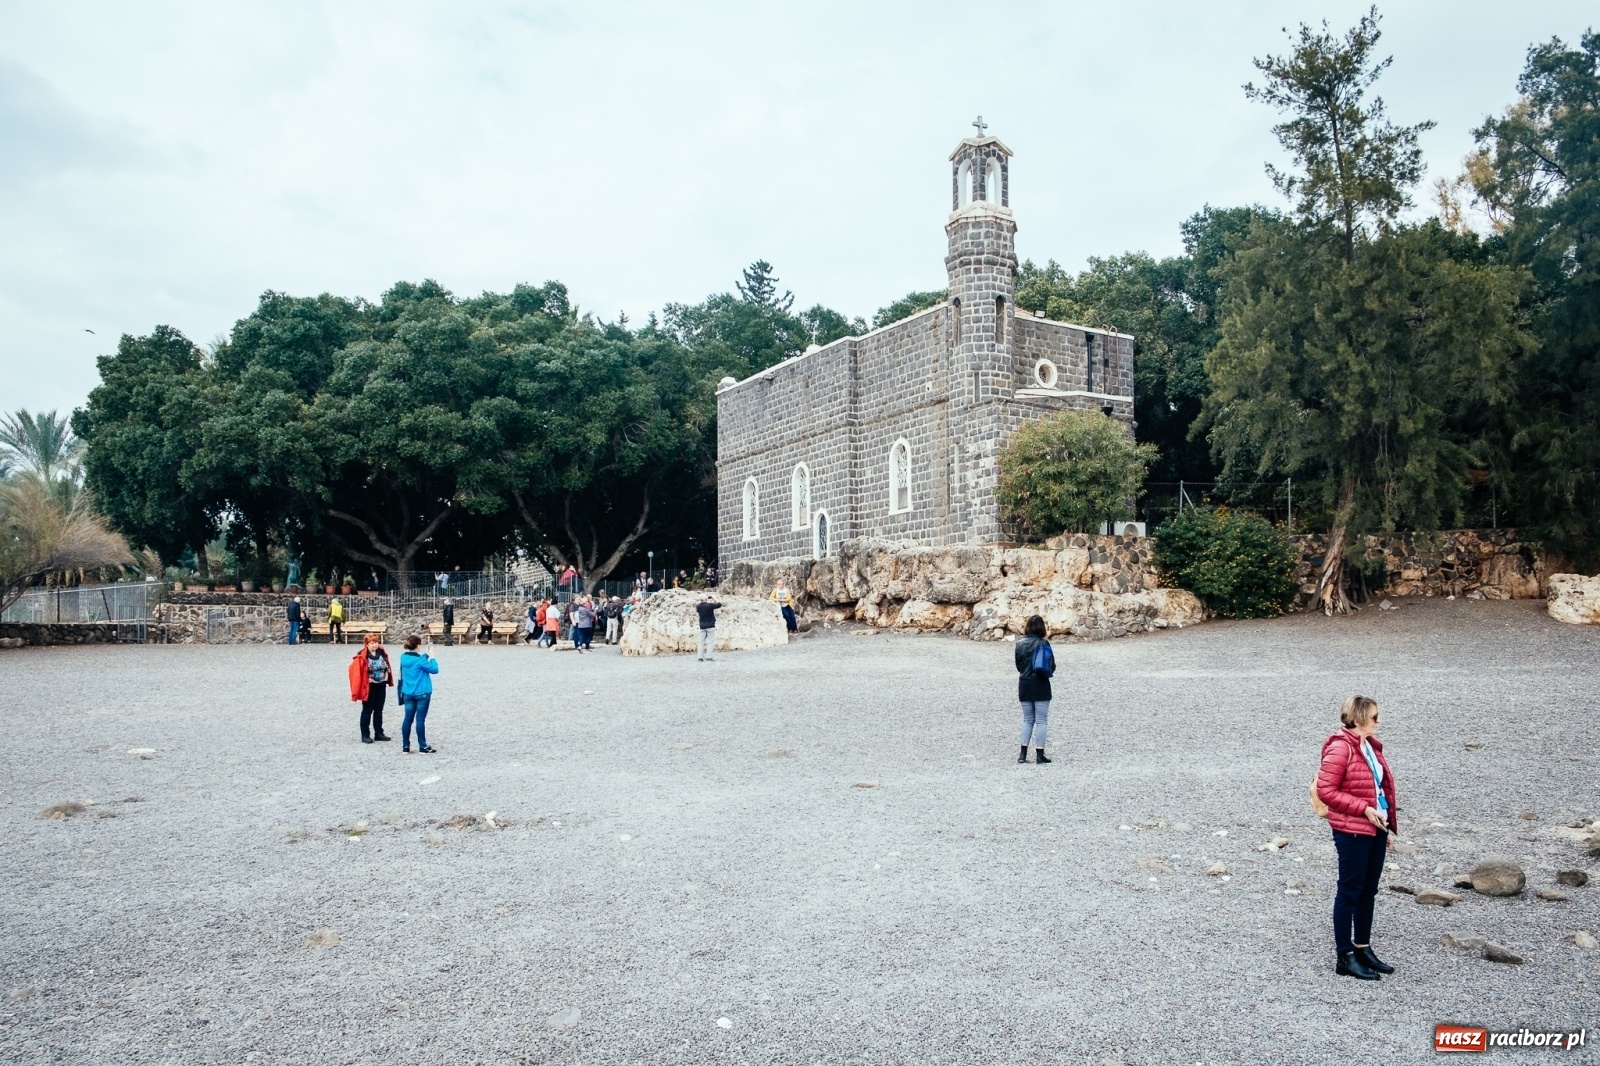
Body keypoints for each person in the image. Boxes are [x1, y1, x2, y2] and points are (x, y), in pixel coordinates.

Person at [1316, 695, 1399, 981]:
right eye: (1375, 716)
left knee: (1368, 890)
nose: (1379, 721)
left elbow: (1379, 790)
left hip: (1375, 827)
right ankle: (1345, 956)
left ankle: (1363, 947)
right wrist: (1363, 809)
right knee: (1349, 890)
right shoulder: (1340, 749)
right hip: (1351, 830)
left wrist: (1386, 827)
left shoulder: (1369, 747)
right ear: (1360, 717)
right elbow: (1327, 791)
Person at [1013, 614, 1054, 764]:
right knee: (1041, 720)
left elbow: (1018, 666)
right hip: (1041, 684)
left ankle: (1022, 754)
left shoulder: (1019, 644)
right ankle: (1039, 754)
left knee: (1027, 719)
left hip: (1024, 683)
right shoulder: (1044, 644)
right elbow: (1051, 666)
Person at [347, 632, 394, 744]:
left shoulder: (381, 653)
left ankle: (379, 733)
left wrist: (387, 673)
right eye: (372, 643)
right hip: (369, 687)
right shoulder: (362, 656)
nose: (374, 645)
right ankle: (365, 734)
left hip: (381, 684)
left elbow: (386, 664)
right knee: (367, 710)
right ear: (367, 644)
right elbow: (355, 670)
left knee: (379, 710)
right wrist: (365, 679)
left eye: (376, 642)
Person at [397, 634, 439, 753]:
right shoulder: (420, 661)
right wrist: (432, 656)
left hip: (408, 693)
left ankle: (405, 746)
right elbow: (435, 669)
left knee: (407, 719)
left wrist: (426, 654)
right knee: (420, 719)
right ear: (418, 646)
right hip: (422, 693)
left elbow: (418, 660)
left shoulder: (403, 657)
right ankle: (422, 745)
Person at [695, 594, 722, 661]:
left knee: (701, 642)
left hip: (702, 626)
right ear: (706, 599)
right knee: (710, 642)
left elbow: (699, 605)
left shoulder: (698, 606)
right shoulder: (710, 605)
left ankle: (700, 657)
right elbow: (719, 604)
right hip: (710, 626)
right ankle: (709, 657)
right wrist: (714, 598)